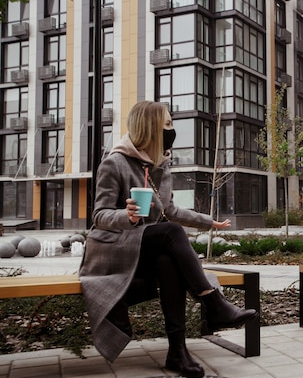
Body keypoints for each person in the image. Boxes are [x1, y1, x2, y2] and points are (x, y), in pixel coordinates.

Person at [79, 101, 257, 378]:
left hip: (146, 248)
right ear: (150, 128)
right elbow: (99, 216)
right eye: (168, 125)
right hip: (114, 249)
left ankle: (178, 352)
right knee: (171, 233)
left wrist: (209, 222)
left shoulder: (162, 165)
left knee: (167, 262)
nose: (172, 130)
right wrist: (126, 216)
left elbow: (170, 210)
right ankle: (213, 304)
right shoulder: (114, 163)